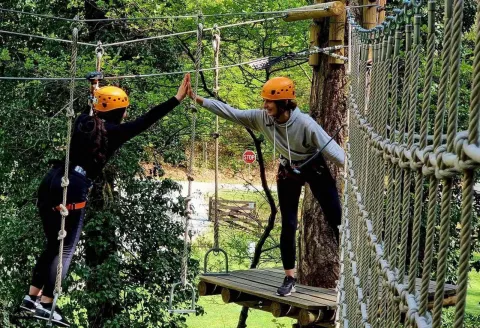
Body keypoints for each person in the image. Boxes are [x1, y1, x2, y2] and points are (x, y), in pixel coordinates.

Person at [19, 75, 191, 326]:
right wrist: (176, 99)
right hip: (74, 186)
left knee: (51, 244)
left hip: (52, 179)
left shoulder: (82, 121)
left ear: (97, 107)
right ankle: (46, 304)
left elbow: (92, 109)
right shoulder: (117, 132)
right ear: (121, 112)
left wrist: (95, 92)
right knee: (65, 249)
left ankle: (31, 298)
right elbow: (147, 119)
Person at [186, 75, 344, 296]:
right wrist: (197, 99)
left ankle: (351, 272)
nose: (265, 105)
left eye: (269, 102)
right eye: (265, 101)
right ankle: (290, 277)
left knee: (336, 218)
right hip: (288, 168)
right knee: (288, 224)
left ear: (284, 103)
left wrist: (354, 168)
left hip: (313, 165)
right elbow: (231, 112)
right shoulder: (262, 119)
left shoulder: (306, 124)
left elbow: (332, 150)